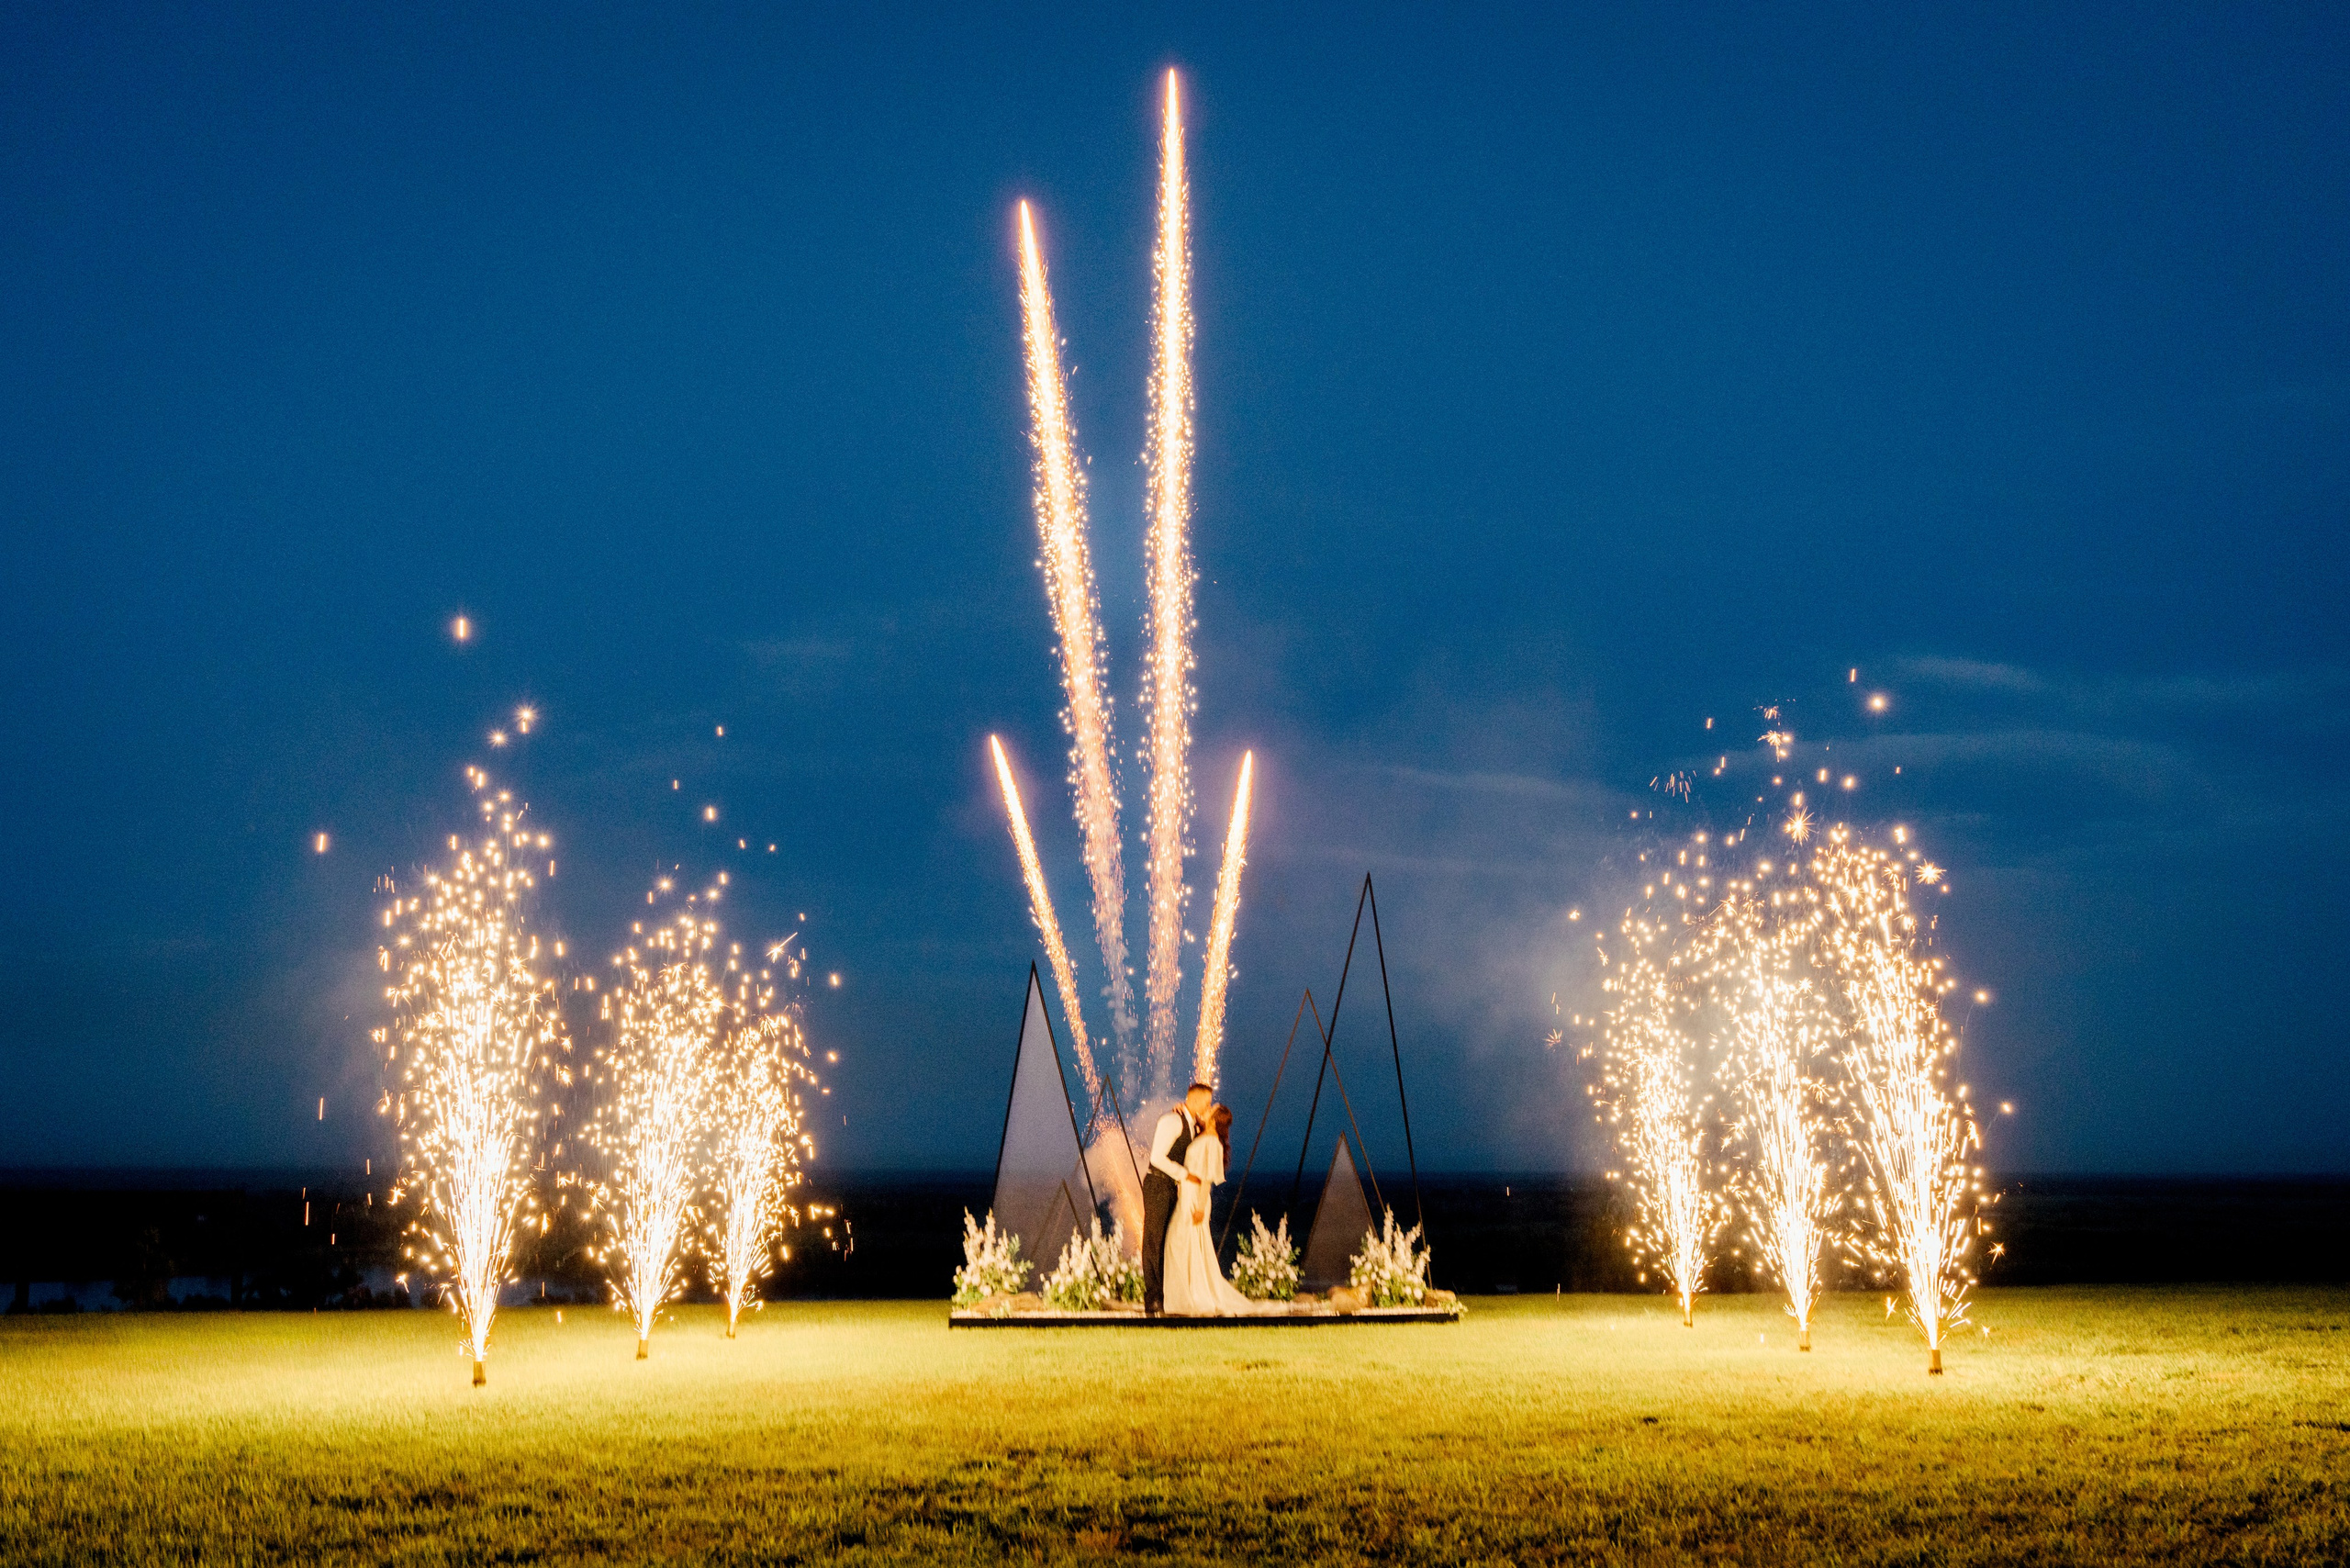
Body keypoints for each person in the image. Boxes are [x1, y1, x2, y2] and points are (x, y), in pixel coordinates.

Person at [1161, 1104, 1255, 1316]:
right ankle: (1183, 1295)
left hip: (1195, 1199)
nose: (1205, 1111)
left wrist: (1201, 1207)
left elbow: (1206, 1178)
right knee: (1184, 1245)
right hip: (1187, 1194)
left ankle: (1189, 1296)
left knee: (1179, 1242)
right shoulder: (1204, 1137)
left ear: (1214, 1119)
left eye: (1210, 1110)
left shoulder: (1212, 1143)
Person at [1140, 1082, 1213, 1316]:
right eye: (1207, 1101)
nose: (1209, 1105)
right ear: (1197, 1099)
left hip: (1171, 1187)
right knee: (1154, 1241)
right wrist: (1186, 1176)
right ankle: (1152, 1300)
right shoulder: (1172, 1121)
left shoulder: (1192, 1125)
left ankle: (1166, 1296)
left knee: (1166, 1241)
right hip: (1157, 1184)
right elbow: (1157, 1157)